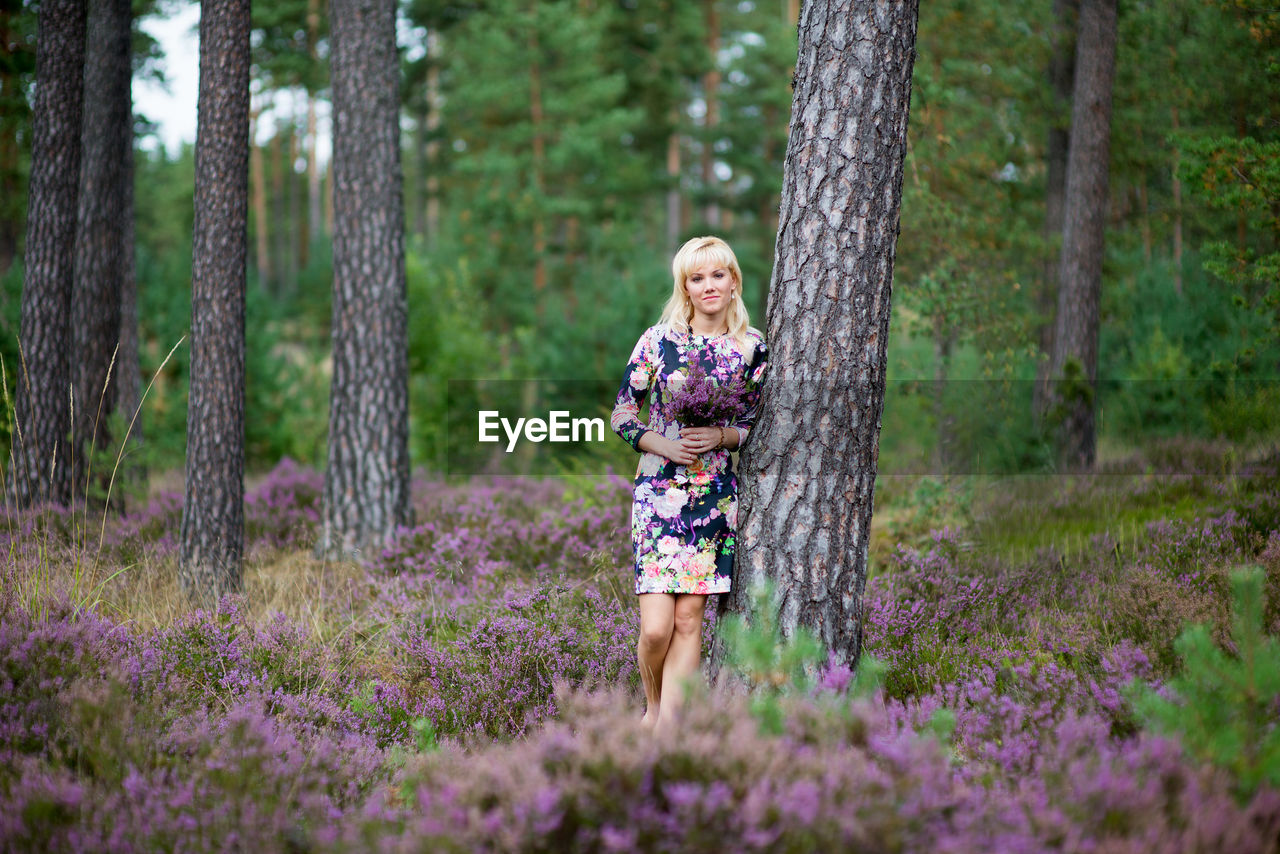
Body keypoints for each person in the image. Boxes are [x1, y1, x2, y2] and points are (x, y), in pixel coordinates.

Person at [610, 235, 768, 733]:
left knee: (688, 620)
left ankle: (664, 732)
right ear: (685, 287)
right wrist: (660, 444)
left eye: (717, 275)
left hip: (715, 494)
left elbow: (756, 424)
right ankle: (652, 705)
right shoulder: (659, 342)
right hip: (659, 493)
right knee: (656, 629)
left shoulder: (752, 347)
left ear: (734, 280)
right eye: (696, 278)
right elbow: (621, 414)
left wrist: (723, 435)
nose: (708, 286)